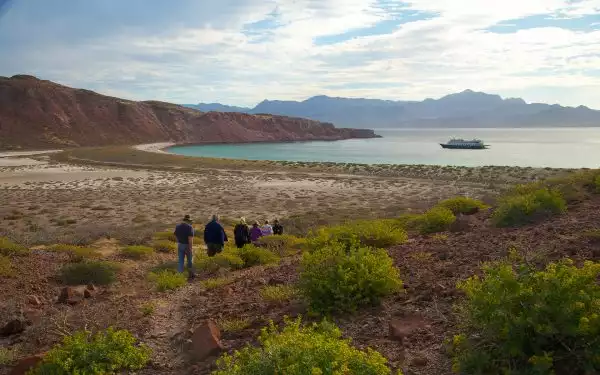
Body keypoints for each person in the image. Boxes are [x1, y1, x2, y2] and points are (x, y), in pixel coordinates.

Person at [174, 214, 195, 279]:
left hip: (180, 245)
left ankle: (179, 276)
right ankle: (191, 275)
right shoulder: (190, 227)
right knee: (189, 260)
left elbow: (176, 235)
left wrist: (179, 241)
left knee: (180, 261)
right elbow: (190, 239)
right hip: (187, 245)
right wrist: (190, 248)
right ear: (188, 221)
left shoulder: (178, 226)